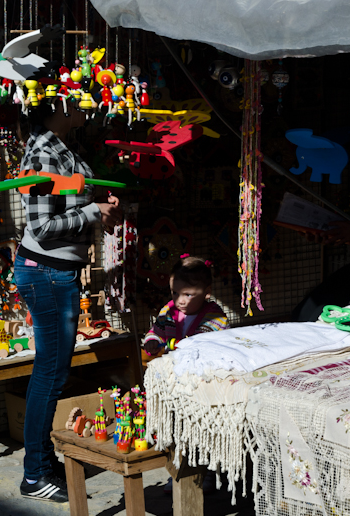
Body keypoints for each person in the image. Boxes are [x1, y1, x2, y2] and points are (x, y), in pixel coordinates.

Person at [13, 95, 122, 503]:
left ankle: (42, 462)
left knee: (53, 371)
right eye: (77, 100)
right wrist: (94, 212)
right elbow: (41, 227)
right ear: (57, 106)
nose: (85, 105)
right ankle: (35, 473)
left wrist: (102, 207)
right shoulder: (44, 152)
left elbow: (74, 204)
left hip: (56, 273)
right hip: (46, 274)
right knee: (50, 374)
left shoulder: (58, 145)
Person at [142, 255, 228, 357]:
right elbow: (156, 332)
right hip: (172, 366)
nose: (180, 301)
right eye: (175, 293)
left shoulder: (215, 318)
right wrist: (152, 341)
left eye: (188, 295)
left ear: (207, 292)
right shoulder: (168, 311)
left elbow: (225, 345)